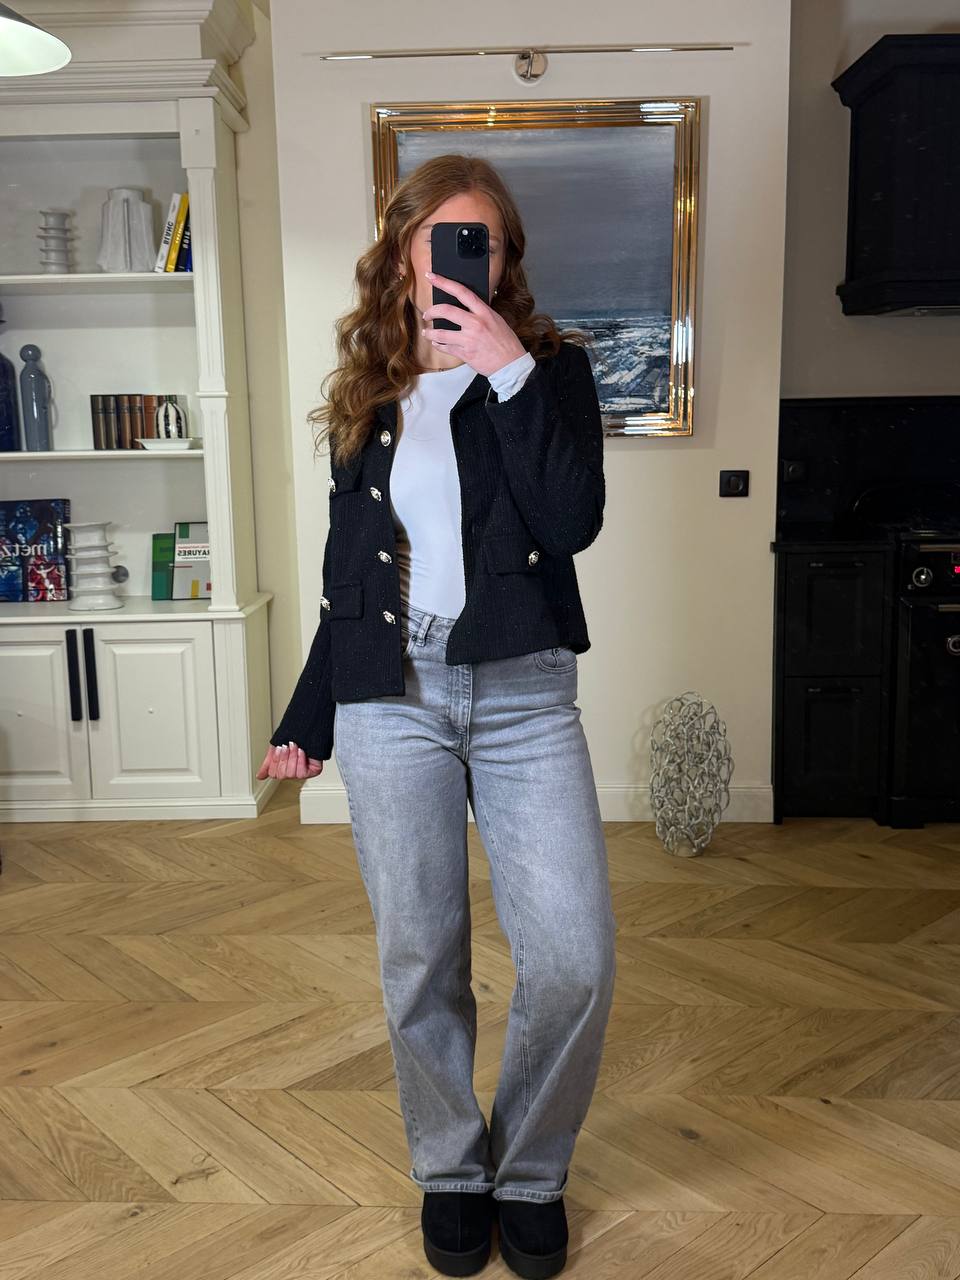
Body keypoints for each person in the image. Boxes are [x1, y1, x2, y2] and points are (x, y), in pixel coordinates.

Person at [256, 153, 616, 1280]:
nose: (466, 259)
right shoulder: (367, 387)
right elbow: (346, 576)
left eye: (485, 242)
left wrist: (508, 374)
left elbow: (571, 522)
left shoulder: (551, 370)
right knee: (421, 954)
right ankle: (454, 1168)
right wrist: (309, 713)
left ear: (504, 259)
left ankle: (532, 1169)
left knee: (573, 957)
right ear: (403, 255)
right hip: (390, 693)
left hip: (523, 694)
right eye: (441, 240)